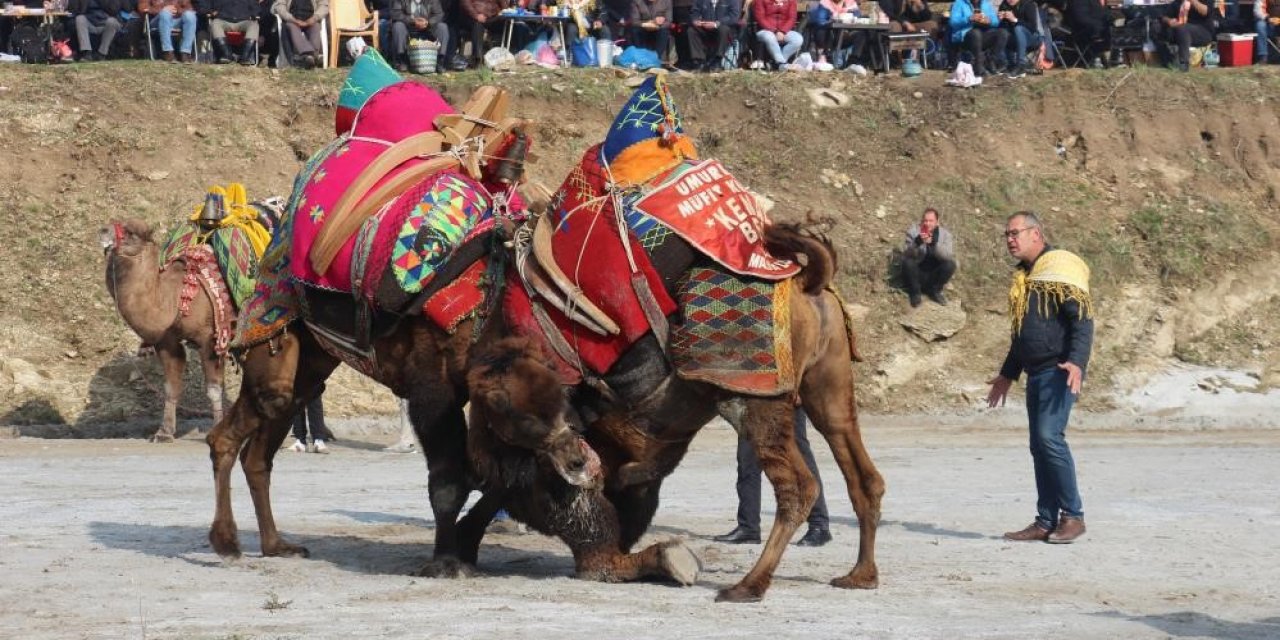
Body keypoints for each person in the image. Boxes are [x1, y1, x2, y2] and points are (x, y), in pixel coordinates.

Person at [987, 211, 1094, 545]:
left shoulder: (1061, 267)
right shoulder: (1026, 278)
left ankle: (1073, 517)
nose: (1010, 239)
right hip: (1035, 372)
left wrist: (1076, 362)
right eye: (1007, 234)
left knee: (1050, 439)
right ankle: (1046, 520)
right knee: (1039, 446)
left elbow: (1083, 321)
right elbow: (1024, 335)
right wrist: (1007, 374)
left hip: (1059, 370)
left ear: (1036, 234)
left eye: (1015, 233)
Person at [713, 409, 832, 547]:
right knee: (747, 459)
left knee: (799, 455)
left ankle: (819, 525)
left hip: (786, 396)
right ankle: (748, 528)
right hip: (753, 398)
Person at [901, 207, 956, 308]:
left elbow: (948, 256)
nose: (927, 223)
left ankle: (934, 291)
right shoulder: (914, 231)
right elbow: (905, 253)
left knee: (951, 265)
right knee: (907, 262)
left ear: (937, 222)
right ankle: (915, 293)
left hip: (933, 275)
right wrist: (917, 243)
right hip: (917, 273)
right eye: (925, 220)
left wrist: (934, 244)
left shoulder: (946, 235)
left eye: (931, 221)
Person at [948, 0, 1007, 77]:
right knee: (976, 33)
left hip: (983, 34)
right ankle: (978, 66)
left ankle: (990, 61)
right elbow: (953, 22)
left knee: (1002, 33)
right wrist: (969, 18)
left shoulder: (985, 3)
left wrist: (989, 21)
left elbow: (996, 21)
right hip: (965, 36)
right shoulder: (959, 3)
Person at [389, 0, 449, 72]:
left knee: (442, 27)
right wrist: (412, 21)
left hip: (428, 28)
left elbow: (439, 14)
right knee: (398, 26)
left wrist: (428, 22)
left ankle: (439, 61)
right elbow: (395, 13)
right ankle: (402, 61)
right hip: (408, 28)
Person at [1156, 0, 1215, 72]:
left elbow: (1206, 11)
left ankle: (1183, 64)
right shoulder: (1178, 2)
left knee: (1183, 28)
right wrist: (1169, 21)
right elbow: (1163, 16)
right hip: (1179, 29)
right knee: (1156, 28)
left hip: (1203, 31)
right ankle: (1168, 61)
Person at [272, 0, 328, 68]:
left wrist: (315, 18)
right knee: (291, 27)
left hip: (311, 19)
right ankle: (308, 54)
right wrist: (292, 19)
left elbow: (324, 5)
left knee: (316, 27)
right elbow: (280, 5)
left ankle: (313, 57)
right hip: (292, 19)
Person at [685, 0, 739, 70]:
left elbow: (733, 17)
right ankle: (699, 61)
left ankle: (717, 60)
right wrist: (695, 20)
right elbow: (694, 12)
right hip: (705, 28)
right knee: (691, 31)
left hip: (723, 29)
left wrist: (716, 24)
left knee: (723, 29)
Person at [206, 0, 262, 65]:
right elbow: (209, 7)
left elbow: (257, 9)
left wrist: (254, 14)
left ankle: (245, 57)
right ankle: (227, 55)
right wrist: (211, 12)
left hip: (243, 21)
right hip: (223, 20)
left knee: (254, 25)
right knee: (215, 23)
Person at [752, 0, 802, 69]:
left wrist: (782, 31)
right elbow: (760, 18)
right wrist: (774, 31)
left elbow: (792, 18)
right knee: (770, 37)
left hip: (784, 30)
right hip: (765, 30)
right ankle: (781, 63)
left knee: (798, 39)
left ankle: (777, 63)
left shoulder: (791, 1)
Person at [1062, 0, 1111, 68]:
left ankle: (1114, 58)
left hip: (1096, 29)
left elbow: (1104, 15)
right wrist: (1099, 25)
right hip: (1078, 31)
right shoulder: (1078, 1)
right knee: (1097, 29)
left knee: (1113, 29)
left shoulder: (1098, 2)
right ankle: (1096, 58)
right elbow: (1081, 18)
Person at [997, 0, 1039, 78]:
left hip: (1032, 38)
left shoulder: (1028, 4)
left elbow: (1033, 27)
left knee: (1018, 29)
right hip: (1015, 38)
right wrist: (1000, 20)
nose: (1010, 0)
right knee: (1001, 31)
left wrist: (1014, 20)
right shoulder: (1004, 5)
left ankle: (1021, 65)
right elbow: (1003, 28)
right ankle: (1006, 63)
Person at [460, 0, 503, 68]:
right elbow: (465, 2)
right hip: (473, 16)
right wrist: (476, 15)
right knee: (478, 25)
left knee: (508, 23)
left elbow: (504, 6)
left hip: (492, 16)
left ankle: (504, 57)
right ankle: (477, 58)